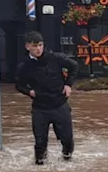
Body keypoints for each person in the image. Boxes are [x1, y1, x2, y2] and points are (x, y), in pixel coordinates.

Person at [15, 31, 80, 164]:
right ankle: (40, 169)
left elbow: (74, 66)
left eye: (40, 45)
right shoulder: (24, 66)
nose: (38, 49)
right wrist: (29, 92)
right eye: (35, 46)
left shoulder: (55, 58)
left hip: (60, 104)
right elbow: (19, 85)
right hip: (40, 108)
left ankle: (67, 161)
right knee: (40, 143)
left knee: (67, 139)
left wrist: (68, 85)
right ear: (27, 46)